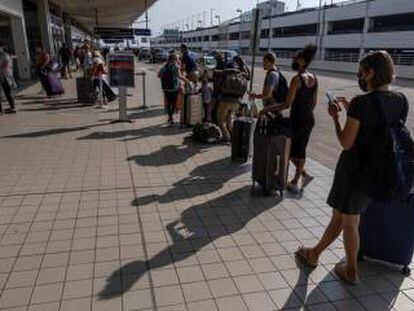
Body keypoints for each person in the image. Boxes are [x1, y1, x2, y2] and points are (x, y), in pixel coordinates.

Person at [296, 51, 408, 285]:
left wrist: (336, 118)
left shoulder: (361, 103)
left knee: (350, 221)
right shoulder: (400, 100)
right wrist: (353, 113)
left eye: (362, 72)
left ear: (370, 73)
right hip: (378, 170)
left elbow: (347, 142)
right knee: (341, 215)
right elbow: (382, 130)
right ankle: (314, 253)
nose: (360, 76)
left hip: (354, 170)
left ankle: (351, 270)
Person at [272, 45, 319, 193]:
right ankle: (302, 177)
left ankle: (295, 180)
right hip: (309, 119)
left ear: (301, 60)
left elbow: (287, 104)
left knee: (291, 152)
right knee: (301, 150)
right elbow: (314, 103)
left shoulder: (296, 79)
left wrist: (267, 109)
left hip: (297, 120)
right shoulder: (314, 78)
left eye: (296, 58)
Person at [159, 53, 189, 125]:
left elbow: (159, 75)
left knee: (168, 103)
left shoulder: (165, 66)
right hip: (174, 88)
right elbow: (179, 76)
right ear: (175, 59)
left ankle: (170, 118)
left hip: (166, 88)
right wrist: (187, 80)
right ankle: (171, 117)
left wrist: (165, 79)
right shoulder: (176, 66)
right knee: (174, 103)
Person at [0, 43, 16, 114]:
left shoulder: (5, 55)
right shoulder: (3, 55)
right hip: (4, 76)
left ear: (2, 47)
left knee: (8, 92)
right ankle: (11, 107)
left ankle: (12, 108)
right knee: (7, 92)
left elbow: (5, 65)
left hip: (6, 76)